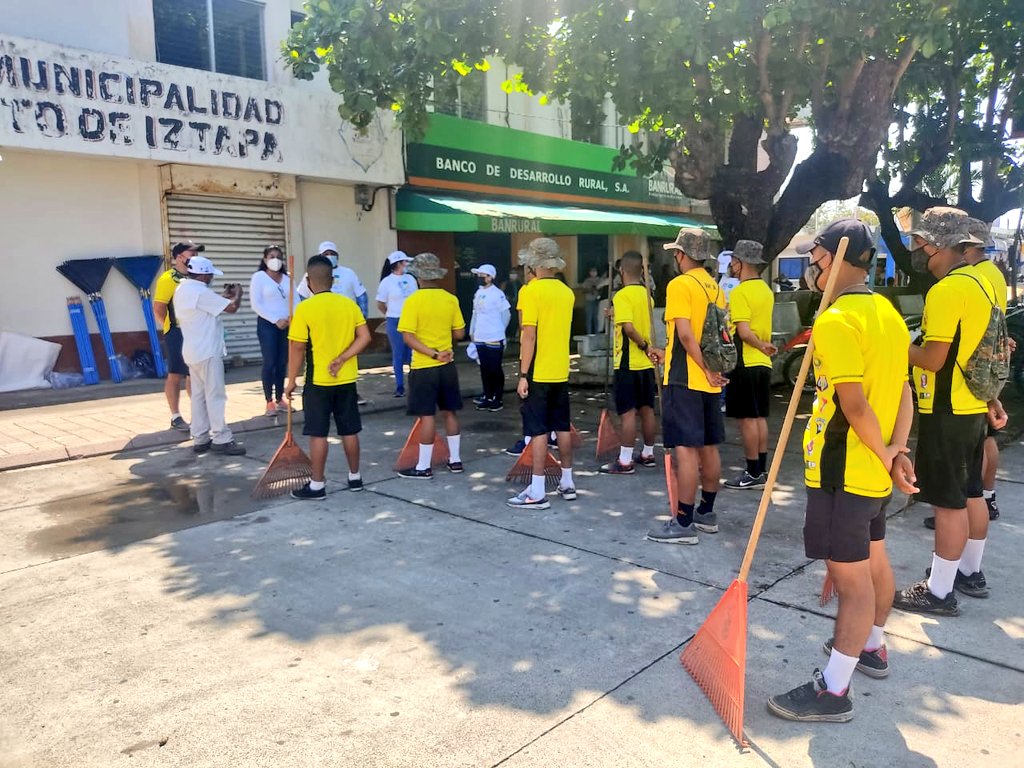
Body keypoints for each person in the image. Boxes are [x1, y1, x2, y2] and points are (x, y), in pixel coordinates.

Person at [767, 218, 917, 723]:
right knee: (872, 563)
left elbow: (854, 406)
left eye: (814, 259)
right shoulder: (888, 313)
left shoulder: (836, 320)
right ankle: (871, 647)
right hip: (869, 473)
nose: (812, 269)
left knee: (853, 586)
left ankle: (833, 692)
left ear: (832, 257)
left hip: (844, 472)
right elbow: (902, 391)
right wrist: (896, 450)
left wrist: (888, 455)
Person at [893, 207, 1007, 616]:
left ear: (938, 244)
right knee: (972, 493)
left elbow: (933, 359)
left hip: (946, 409)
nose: (916, 249)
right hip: (971, 405)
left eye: (919, 241)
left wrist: (896, 342)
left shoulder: (946, 291)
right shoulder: (981, 283)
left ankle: (939, 592)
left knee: (948, 504)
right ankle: (969, 572)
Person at [645, 228, 727, 544]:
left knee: (686, 450)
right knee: (709, 447)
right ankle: (706, 513)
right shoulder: (716, 288)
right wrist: (710, 370)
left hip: (685, 380)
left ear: (681, 255)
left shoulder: (680, 284)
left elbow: (686, 335)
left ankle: (683, 522)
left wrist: (702, 369)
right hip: (709, 380)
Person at [285, 255, 371, 499]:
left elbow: (297, 348)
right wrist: (343, 358)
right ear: (332, 280)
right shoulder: (349, 305)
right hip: (347, 379)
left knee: (318, 433)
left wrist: (291, 381)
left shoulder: (304, 309)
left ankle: (317, 485)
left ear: (308, 282)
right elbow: (365, 337)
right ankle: (355, 478)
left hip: (318, 381)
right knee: (349, 430)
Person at [507, 238, 576, 508]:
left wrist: (523, 374)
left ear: (534, 263)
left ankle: (537, 490)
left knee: (538, 430)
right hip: (560, 368)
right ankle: (567, 482)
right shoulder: (566, 292)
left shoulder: (531, 291)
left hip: (538, 370)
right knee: (562, 427)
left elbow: (529, 335)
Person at [396, 253, 466, 478]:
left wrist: (433, 354)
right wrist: (442, 349)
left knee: (426, 415)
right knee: (449, 412)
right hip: (447, 365)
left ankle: (423, 466)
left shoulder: (413, 301)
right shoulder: (450, 299)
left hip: (424, 366)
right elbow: (460, 333)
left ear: (418, 276)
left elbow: (408, 337)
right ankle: (455, 460)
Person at [173, 255, 245, 456]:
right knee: (215, 395)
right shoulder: (200, 292)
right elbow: (232, 307)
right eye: (211, 275)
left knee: (198, 396)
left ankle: (200, 437)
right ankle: (222, 437)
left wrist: (223, 296)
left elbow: (206, 307)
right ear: (204, 275)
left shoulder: (182, 289)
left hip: (192, 351)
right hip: (207, 351)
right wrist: (237, 295)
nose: (212, 278)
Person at [961, 217, 1008, 522]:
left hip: (977, 369)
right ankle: (987, 497)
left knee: (980, 444)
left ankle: (976, 500)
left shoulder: (977, 276)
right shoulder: (994, 273)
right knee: (987, 439)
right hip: (992, 364)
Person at [723, 241, 777, 490]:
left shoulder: (740, 292)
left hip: (745, 361)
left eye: (733, 261)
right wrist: (764, 346)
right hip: (763, 364)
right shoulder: (765, 290)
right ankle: (761, 470)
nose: (731, 266)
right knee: (759, 417)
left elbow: (743, 332)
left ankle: (753, 472)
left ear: (740, 262)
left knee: (747, 419)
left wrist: (760, 345)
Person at [600, 251, 657, 474]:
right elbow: (633, 319)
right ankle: (648, 453)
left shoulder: (622, 296)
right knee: (647, 409)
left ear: (622, 271)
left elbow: (630, 329)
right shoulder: (647, 295)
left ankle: (625, 461)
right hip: (645, 365)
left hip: (628, 362)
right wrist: (616, 315)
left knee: (628, 412)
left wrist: (644, 346)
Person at [297, 241, 370, 404]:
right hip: (320, 323)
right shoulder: (312, 273)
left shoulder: (348, 273)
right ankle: (319, 391)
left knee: (346, 355)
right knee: (319, 357)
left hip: (344, 323)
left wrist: (361, 319)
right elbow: (301, 296)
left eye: (332, 253)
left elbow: (362, 296)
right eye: (326, 254)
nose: (330, 256)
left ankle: (351, 391)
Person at [153, 242, 198, 432]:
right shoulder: (168, 278)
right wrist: (170, 327)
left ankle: (198, 413)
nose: (195, 257)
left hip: (195, 330)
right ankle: (175, 416)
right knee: (175, 373)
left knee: (193, 373)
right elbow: (158, 308)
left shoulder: (196, 276)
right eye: (191, 253)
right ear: (179, 257)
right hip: (176, 331)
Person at [249, 245, 292, 417]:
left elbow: (295, 300)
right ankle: (269, 401)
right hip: (268, 325)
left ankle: (280, 398)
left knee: (282, 362)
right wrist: (275, 320)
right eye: (271, 256)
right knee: (270, 361)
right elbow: (256, 304)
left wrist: (291, 318)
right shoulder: (259, 277)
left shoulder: (288, 278)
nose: (275, 260)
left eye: (278, 256)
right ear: (265, 259)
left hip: (287, 324)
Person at [469, 263, 511, 412]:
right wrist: (472, 331)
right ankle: (487, 396)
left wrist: (499, 331)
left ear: (490, 277)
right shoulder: (478, 292)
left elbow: (506, 314)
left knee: (495, 368)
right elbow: (475, 313)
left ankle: (497, 398)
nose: (480, 277)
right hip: (480, 336)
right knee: (484, 368)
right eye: (479, 275)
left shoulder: (497, 293)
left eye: (483, 275)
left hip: (494, 337)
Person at [376, 250, 417, 397]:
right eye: (405, 262)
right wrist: (389, 313)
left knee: (413, 353)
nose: (407, 264)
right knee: (398, 354)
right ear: (398, 264)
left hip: (411, 320)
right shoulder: (386, 282)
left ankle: (414, 383)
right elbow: (380, 303)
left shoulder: (411, 279)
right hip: (394, 320)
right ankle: (400, 386)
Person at [581, 266, 602, 335]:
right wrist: (590, 289)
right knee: (589, 318)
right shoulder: (586, 281)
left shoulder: (600, 280)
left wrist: (597, 289)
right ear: (589, 272)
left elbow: (602, 289)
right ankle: (589, 333)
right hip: (589, 300)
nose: (593, 273)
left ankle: (597, 333)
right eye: (592, 271)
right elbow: (583, 290)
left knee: (596, 318)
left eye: (594, 271)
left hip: (597, 301)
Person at [503, 268, 522, 343]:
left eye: (515, 273)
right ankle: (510, 336)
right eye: (512, 273)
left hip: (518, 305)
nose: (513, 275)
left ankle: (515, 335)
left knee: (516, 320)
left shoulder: (519, 283)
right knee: (510, 320)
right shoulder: (507, 284)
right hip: (510, 305)